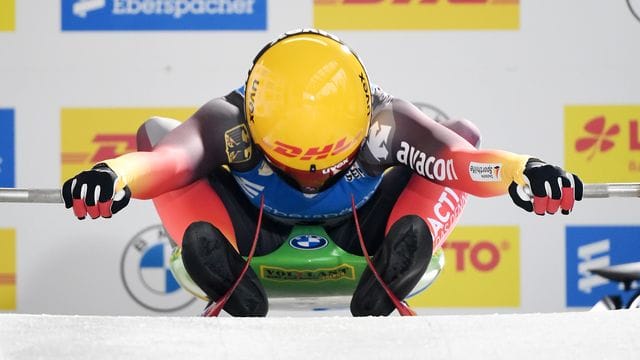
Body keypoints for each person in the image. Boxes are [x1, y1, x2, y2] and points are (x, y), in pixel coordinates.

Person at [62, 29, 583, 317]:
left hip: (363, 230)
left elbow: (460, 159)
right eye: (291, 160)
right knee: (157, 131)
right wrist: (112, 176)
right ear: (257, 125)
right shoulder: (229, 122)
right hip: (255, 232)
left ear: (358, 130)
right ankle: (227, 275)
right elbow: (164, 161)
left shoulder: (387, 123)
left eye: (327, 162)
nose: (311, 177)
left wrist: (523, 170)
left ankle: (392, 267)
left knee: (461, 131)